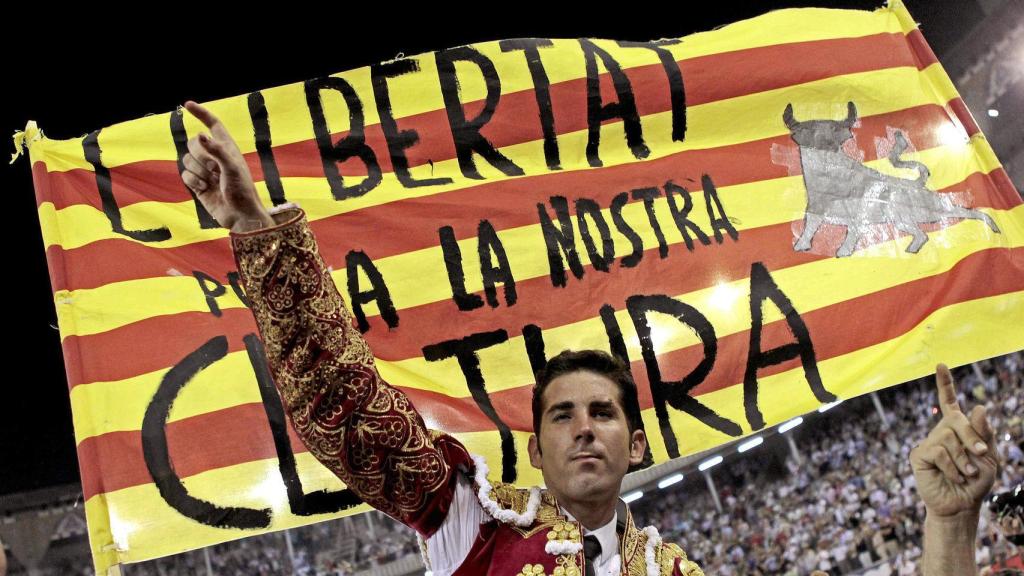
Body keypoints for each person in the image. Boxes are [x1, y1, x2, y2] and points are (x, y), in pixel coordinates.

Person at [178, 100, 1001, 576]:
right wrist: (262, 234)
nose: (582, 426)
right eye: (562, 415)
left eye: (602, 412)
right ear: (533, 453)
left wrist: (949, 530)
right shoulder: (473, 524)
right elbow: (339, 404)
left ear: (635, 443)